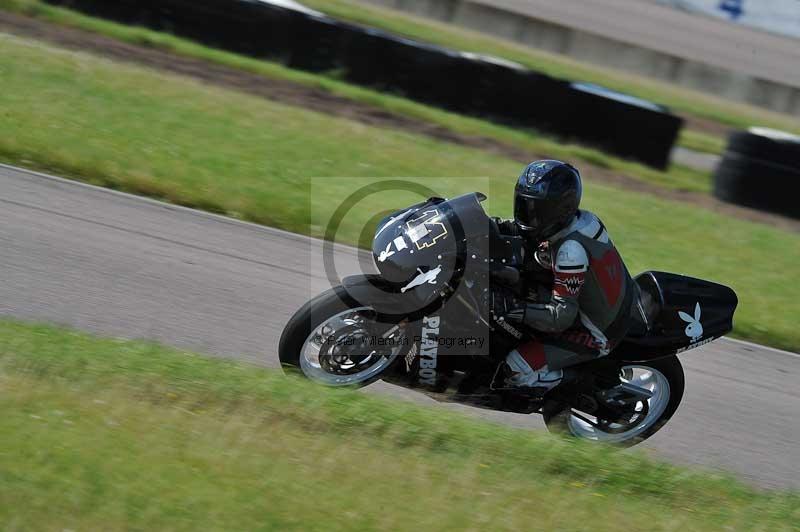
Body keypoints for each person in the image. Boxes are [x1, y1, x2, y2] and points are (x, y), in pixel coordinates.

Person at [492, 160, 637, 392]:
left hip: (594, 331)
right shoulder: (581, 220)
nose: (527, 216)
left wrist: (512, 309)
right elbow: (522, 234)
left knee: (516, 368)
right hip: (602, 301)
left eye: (536, 210)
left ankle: (581, 386)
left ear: (560, 211)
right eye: (524, 205)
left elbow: (561, 316)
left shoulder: (571, 253)